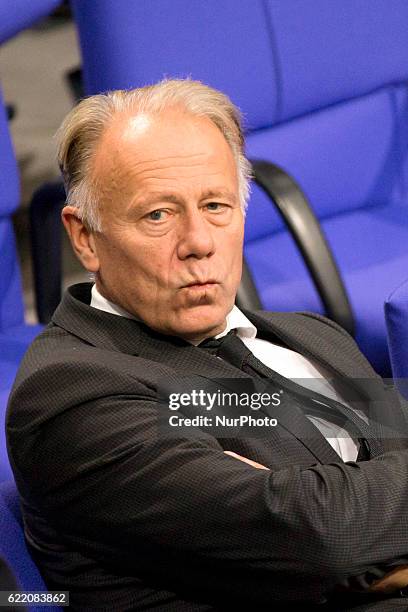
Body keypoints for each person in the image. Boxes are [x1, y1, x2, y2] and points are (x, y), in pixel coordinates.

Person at [6, 79, 408, 611]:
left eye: (216, 205)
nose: (199, 242)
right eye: (158, 215)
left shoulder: (310, 335)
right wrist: (334, 523)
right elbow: (317, 534)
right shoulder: (74, 396)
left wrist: (345, 520)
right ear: (85, 238)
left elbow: (370, 466)